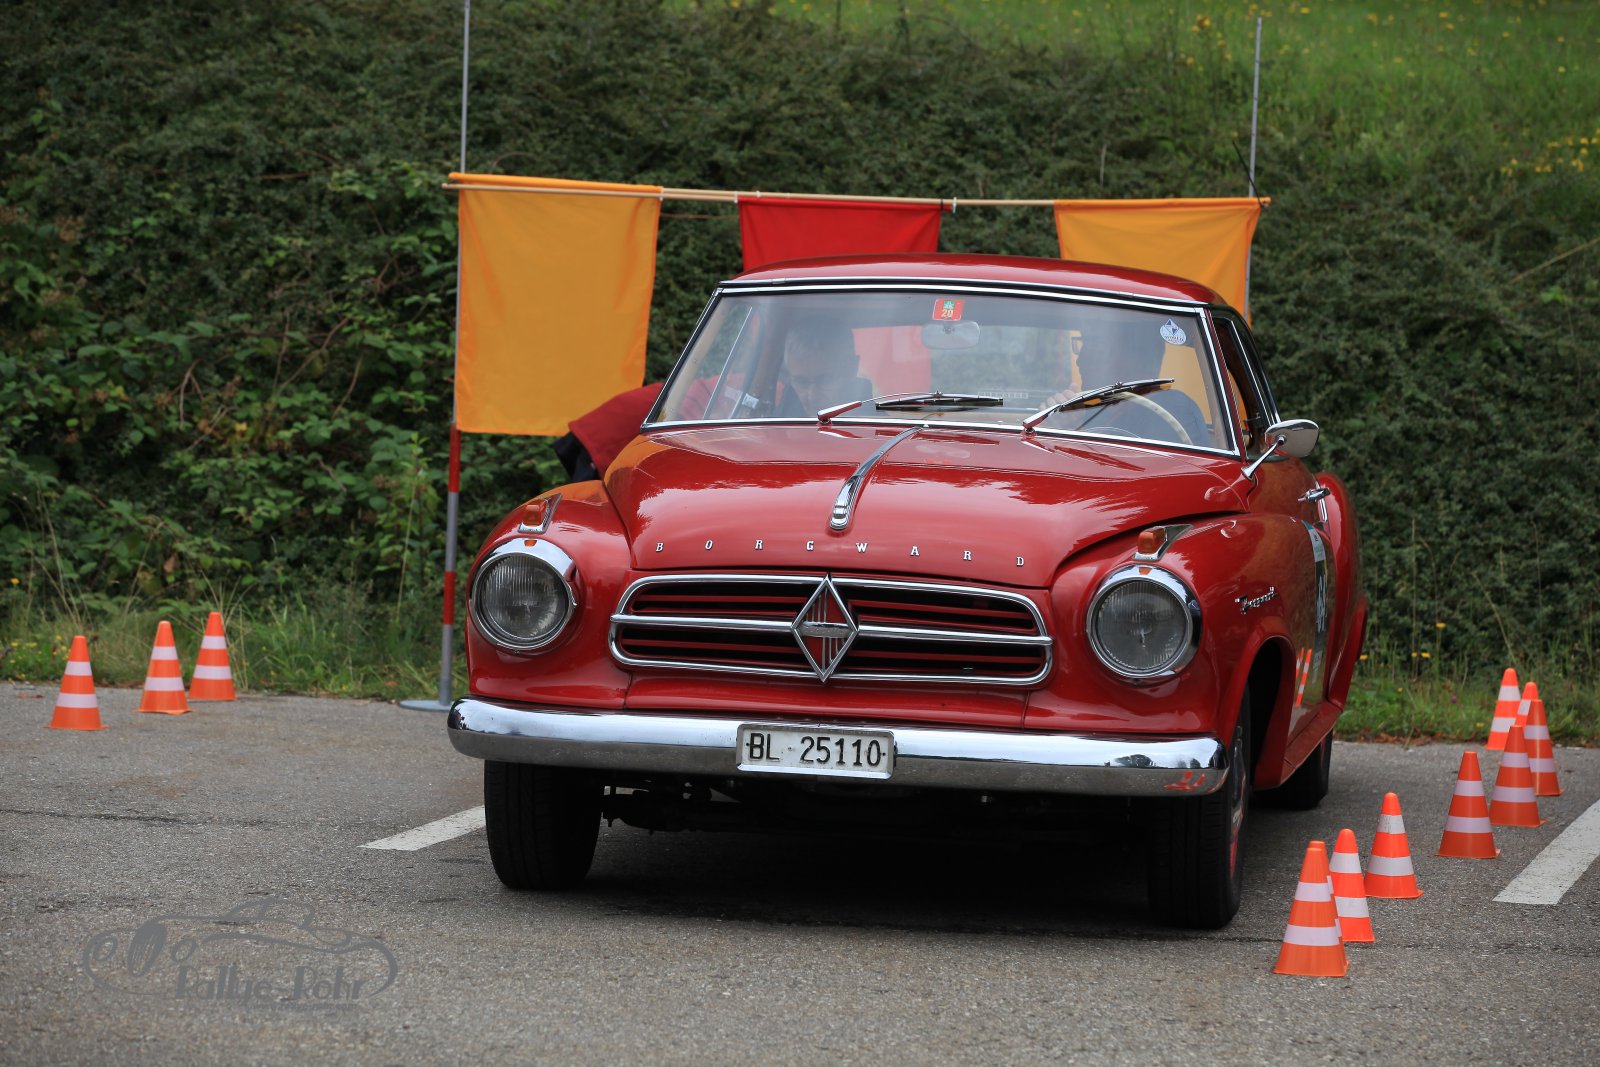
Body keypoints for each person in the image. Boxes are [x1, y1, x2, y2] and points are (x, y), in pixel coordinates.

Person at [1042, 317, 1210, 444]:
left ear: (1133, 357)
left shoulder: (1175, 411)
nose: (1081, 360)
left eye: (1094, 346)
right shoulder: (1099, 409)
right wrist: (1058, 428)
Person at [772, 319, 873, 416]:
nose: (812, 396)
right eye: (801, 382)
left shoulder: (875, 423)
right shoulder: (778, 419)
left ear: (851, 368)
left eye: (825, 380)